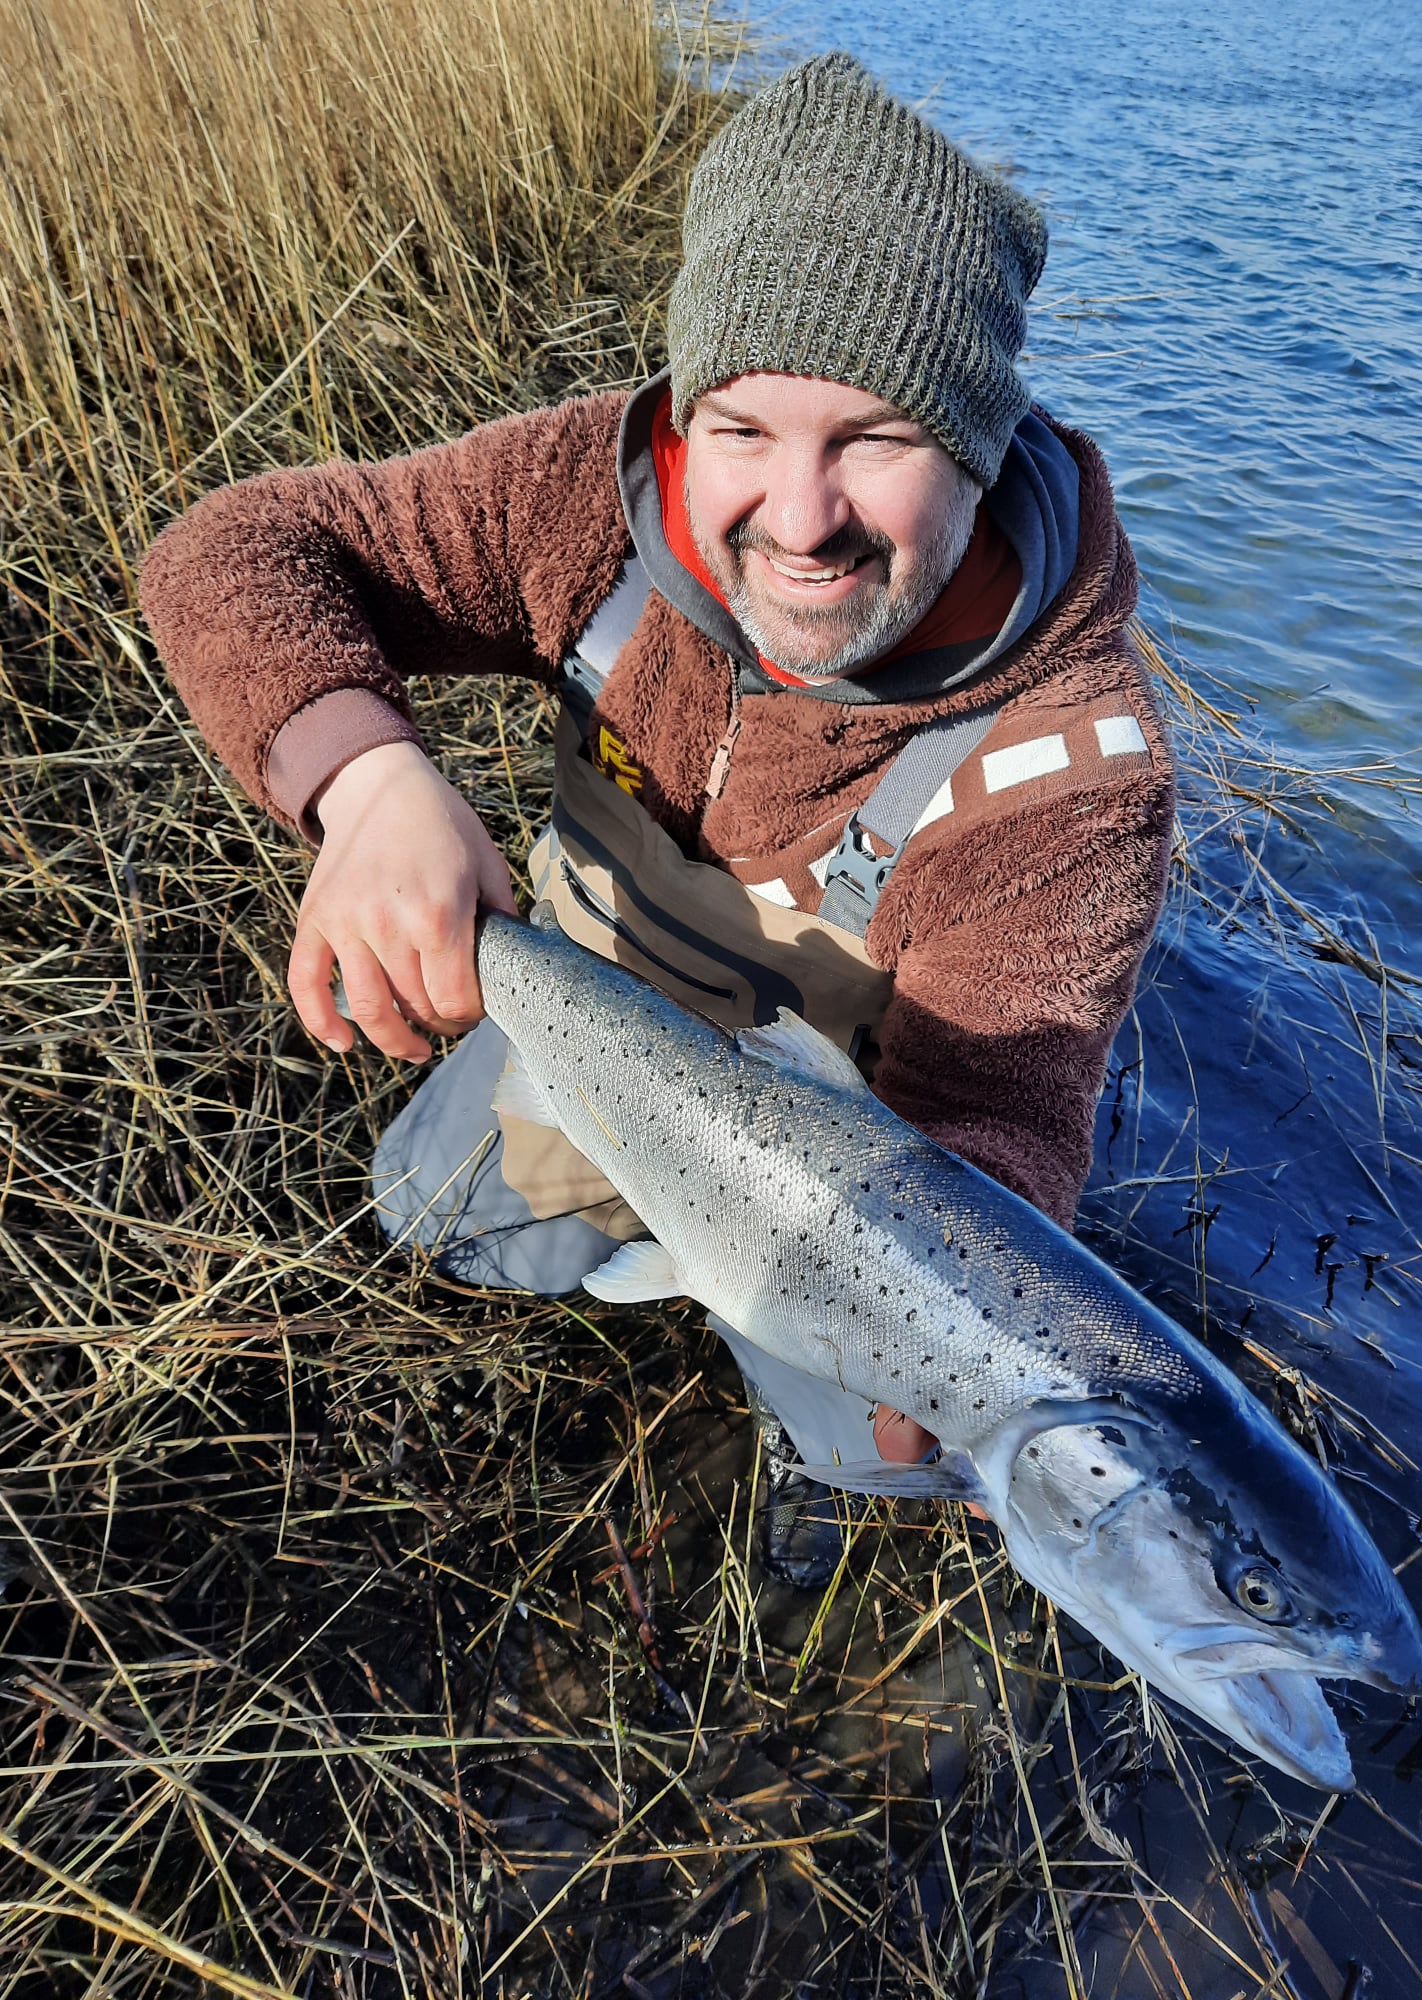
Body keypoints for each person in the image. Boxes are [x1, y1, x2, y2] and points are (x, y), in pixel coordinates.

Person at [140, 52, 1175, 1584]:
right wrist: (370, 784)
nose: (801, 516)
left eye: (878, 439)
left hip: (846, 1173)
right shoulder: (581, 496)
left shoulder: (1077, 772)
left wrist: (962, 1329)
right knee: (428, 1215)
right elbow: (239, 545)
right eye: (744, 430)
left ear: (979, 441)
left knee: (882, 1487)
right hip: (595, 1023)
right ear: (691, 412)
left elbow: (994, 1123)